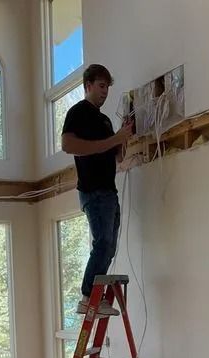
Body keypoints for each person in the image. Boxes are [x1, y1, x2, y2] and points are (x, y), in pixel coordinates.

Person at [60, 63, 134, 317]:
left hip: (108, 189)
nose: (105, 92)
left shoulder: (103, 120)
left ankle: (95, 297)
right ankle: (87, 297)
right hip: (94, 190)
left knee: (109, 245)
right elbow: (68, 145)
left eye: (107, 88)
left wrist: (123, 137)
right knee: (103, 243)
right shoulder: (79, 112)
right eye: (101, 86)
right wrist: (114, 139)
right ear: (88, 85)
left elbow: (118, 157)